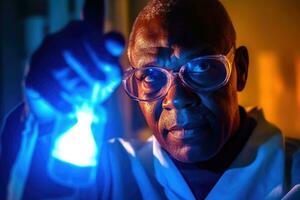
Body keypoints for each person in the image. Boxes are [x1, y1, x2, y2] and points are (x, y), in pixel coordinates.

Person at [1, 0, 300, 199]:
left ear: (241, 70)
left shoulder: (294, 174)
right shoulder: (106, 172)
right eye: (152, 78)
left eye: (202, 68)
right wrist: (39, 117)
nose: (178, 98)